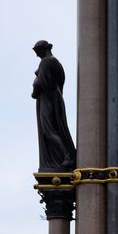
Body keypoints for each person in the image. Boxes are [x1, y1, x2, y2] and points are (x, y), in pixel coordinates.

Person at [31, 39, 76, 172]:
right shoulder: (56, 63)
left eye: (37, 51)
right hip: (55, 98)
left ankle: (67, 157)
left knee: (49, 130)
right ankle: (65, 156)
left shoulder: (46, 61)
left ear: (44, 49)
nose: (36, 55)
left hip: (48, 99)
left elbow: (41, 84)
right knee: (57, 128)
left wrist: (34, 90)